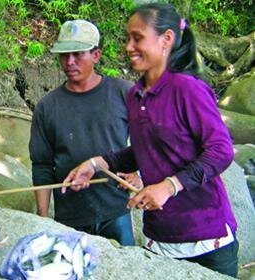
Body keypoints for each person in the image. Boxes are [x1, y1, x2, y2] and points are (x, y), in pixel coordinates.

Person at [63, 3, 238, 277]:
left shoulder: (187, 88)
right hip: (160, 239)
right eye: (127, 39)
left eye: (138, 38)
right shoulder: (135, 95)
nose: (129, 47)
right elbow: (145, 149)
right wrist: (95, 163)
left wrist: (169, 186)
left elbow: (221, 150)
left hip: (206, 239)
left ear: (166, 39)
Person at [29, 19, 139, 246]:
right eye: (64, 55)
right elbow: (41, 165)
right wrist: (42, 217)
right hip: (70, 215)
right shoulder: (47, 107)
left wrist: (140, 173)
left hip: (115, 210)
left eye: (78, 54)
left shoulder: (124, 93)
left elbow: (151, 142)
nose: (69, 62)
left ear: (96, 55)